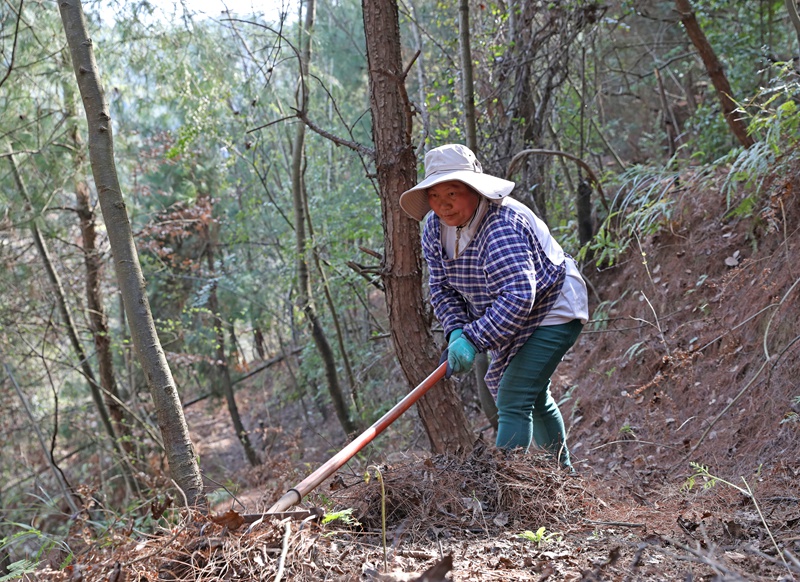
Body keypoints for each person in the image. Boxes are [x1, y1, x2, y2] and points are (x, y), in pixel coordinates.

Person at [399, 144, 588, 471]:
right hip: (512, 315)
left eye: (452, 193)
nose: (443, 205)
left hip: (554, 305)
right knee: (534, 396)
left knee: (513, 395)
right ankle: (565, 477)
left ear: (475, 189)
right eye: (434, 195)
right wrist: (455, 330)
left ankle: (505, 487)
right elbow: (441, 288)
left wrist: (473, 339)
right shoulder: (433, 228)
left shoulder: (501, 224)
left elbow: (518, 295)